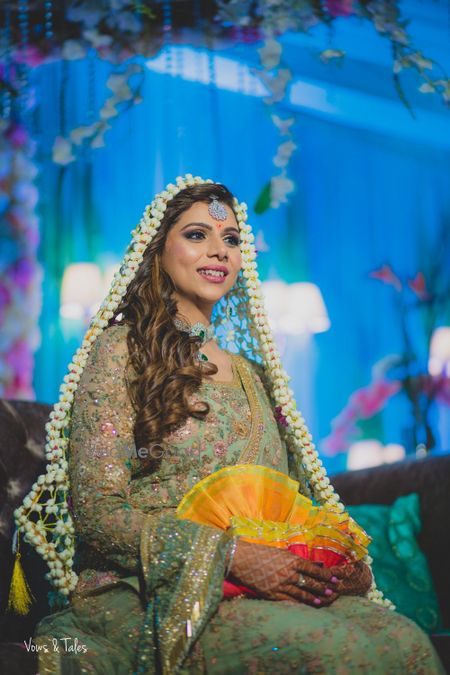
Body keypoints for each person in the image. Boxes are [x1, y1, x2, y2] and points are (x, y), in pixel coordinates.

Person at [15, 174, 444, 674]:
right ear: (157, 251)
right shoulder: (120, 354)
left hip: (272, 586)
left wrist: (337, 563)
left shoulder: (257, 376)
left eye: (232, 239)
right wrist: (232, 557)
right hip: (155, 589)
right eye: (197, 235)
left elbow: (298, 501)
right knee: (336, 650)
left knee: (405, 641)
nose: (219, 251)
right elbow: (98, 513)